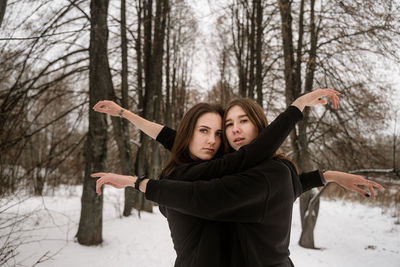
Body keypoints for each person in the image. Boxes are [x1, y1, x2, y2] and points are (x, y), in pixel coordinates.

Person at [92, 89, 382, 266]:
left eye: (243, 121)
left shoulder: (257, 170)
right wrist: (125, 113)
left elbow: (255, 175)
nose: (231, 132)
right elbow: (171, 137)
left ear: (259, 126)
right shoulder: (216, 166)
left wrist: (137, 183)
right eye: (227, 125)